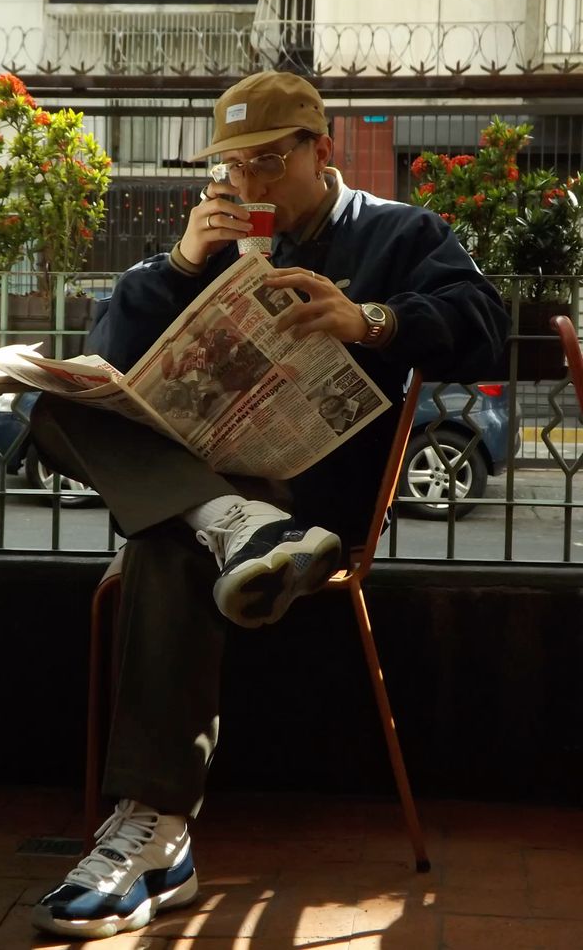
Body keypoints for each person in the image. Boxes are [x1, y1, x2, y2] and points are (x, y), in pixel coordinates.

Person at [29, 71, 510, 940]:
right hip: (224, 484)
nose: (248, 183)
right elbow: (108, 357)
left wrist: (371, 320)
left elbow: (485, 320)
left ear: (321, 150)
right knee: (55, 407)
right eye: (232, 166)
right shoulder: (214, 241)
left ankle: (155, 834)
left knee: (162, 544)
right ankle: (231, 524)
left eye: (267, 163)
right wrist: (181, 265)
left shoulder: (399, 233)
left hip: (320, 500)